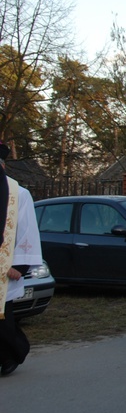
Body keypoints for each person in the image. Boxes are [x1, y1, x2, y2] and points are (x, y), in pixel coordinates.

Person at [0, 144, 43, 377]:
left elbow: (27, 230)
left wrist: (20, 264)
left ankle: (12, 353)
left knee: (3, 319)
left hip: (4, 266)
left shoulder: (19, 194)